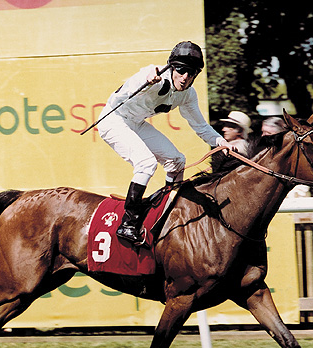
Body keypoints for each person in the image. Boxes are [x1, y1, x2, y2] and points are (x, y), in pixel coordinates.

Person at [97, 41, 237, 245]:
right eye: (181, 70)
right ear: (172, 67)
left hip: (135, 123)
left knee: (177, 160)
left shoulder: (188, 94)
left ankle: (167, 209)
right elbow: (124, 92)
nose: (185, 77)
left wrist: (221, 143)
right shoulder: (151, 74)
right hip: (113, 120)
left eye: (191, 73)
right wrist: (146, 80)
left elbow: (201, 127)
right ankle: (128, 223)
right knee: (146, 163)